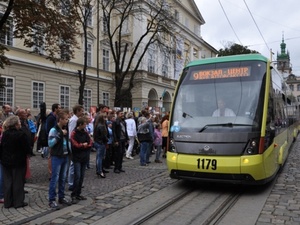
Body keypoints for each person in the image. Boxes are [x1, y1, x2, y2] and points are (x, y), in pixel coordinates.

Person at [0, 116, 31, 208]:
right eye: (19, 123)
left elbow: (2, 147)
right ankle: (18, 202)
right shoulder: (21, 134)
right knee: (18, 182)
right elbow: (26, 147)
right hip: (18, 161)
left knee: (8, 182)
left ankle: (8, 202)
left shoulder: (5, 133)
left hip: (6, 160)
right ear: (16, 124)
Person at [48, 110, 71, 210]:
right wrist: (60, 134)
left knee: (62, 178)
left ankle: (61, 197)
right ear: (60, 119)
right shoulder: (54, 130)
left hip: (65, 155)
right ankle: (52, 199)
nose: (67, 120)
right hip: (57, 156)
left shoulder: (65, 129)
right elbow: (50, 143)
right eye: (66, 119)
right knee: (55, 178)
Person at [69, 117, 92, 204]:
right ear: (80, 124)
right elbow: (75, 145)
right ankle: (73, 194)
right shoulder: (74, 133)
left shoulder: (85, 133)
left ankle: (78, 193)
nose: (86, 125)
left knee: (81, 176)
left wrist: (86, 145)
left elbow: (90, 142)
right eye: (85, 124)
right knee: (77, 176)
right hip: (77, 157)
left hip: (84, 157)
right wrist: (83, 145)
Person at [68, 104, 84, 191]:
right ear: (77, 111)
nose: (82, 112)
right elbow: (71, 134)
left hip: (77, 144)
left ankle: (76, 182)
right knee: (73, 164)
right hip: (74, 144)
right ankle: (71, 183)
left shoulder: (77, 119)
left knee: (76, 164)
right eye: (81, 110)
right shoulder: (74, 120)